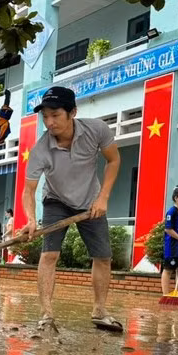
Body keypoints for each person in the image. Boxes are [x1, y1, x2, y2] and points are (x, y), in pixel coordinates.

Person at [21, 86, 122, 332]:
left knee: (103, 257)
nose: (49, 122)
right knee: (49, 255)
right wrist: (31, 220)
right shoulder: (40, 150)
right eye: (45, 116)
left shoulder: (96, 130)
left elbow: (114, 160)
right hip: (56, 201)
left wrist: (103, 198)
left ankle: (99, 311)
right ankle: (46, 314)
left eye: (55, 115)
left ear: (72, 112)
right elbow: (29, 190)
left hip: (91, 202)